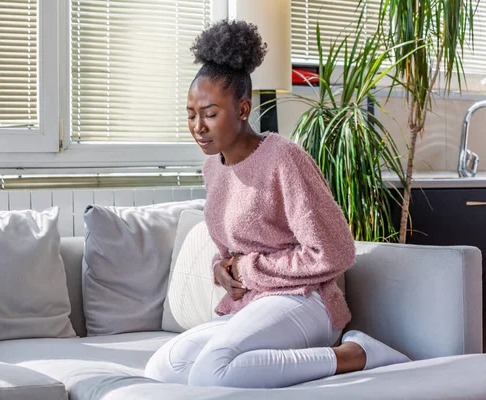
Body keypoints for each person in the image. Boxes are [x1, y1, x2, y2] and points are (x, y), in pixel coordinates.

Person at [144, 19, 410, 389]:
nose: (198, 126)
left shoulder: (284, 158)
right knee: (163, 368)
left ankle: (356, 354)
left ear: (242, 109)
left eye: (210, 113)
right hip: (254, 305)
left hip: (305, 302)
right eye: (191, 114)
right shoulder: (213, 167)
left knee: (211, 372)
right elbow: (235, 250)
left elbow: (335, 251)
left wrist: (248, 270)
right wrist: (221, 270)